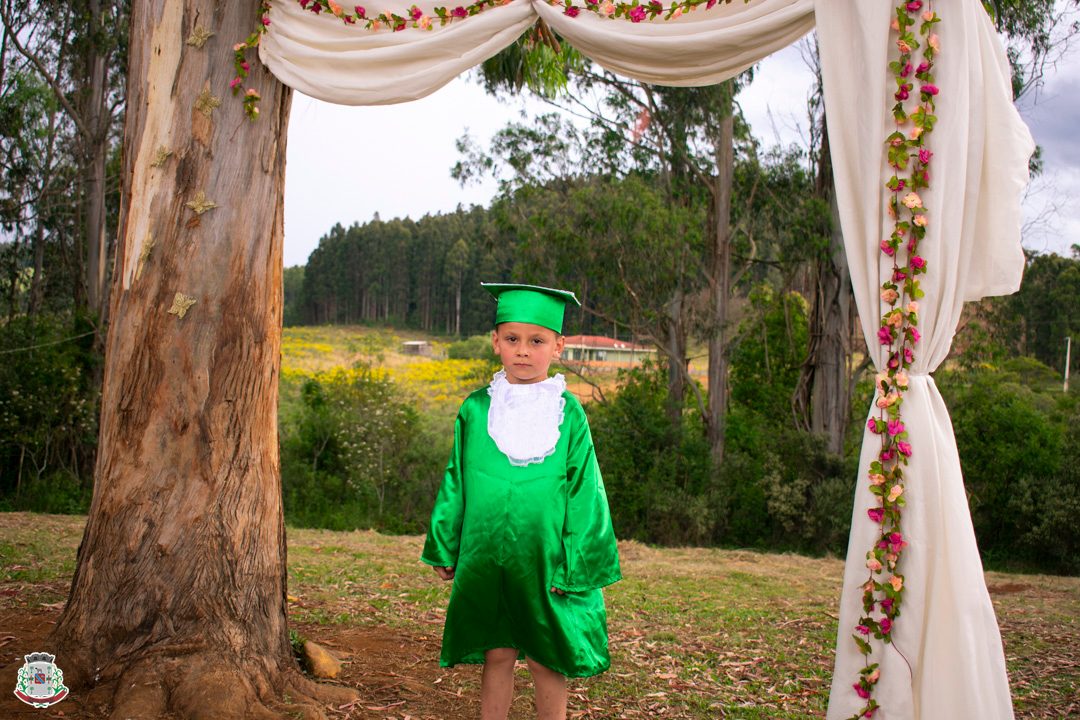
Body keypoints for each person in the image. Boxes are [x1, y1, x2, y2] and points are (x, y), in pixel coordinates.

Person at [422, 282, 622, 720]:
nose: (523, 351)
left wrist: (577, 565)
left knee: (545, 657)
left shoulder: (569, 414)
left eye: (537, 341)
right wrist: (444, 545)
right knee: (497, 654)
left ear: (558, 346)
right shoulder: (475, 409)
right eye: (512, 339)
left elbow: (585, 492)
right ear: (496, 342)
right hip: (487, 556)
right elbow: (456, 479)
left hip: (545, 561)